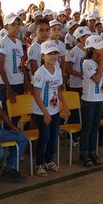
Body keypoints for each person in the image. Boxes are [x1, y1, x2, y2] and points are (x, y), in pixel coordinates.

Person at [31, 40, 69, 175]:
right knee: (44, 137)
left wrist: (64, 104)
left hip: (55, 110)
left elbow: (58, 90)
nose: (53, 56)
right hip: (42, 112)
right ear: (43, 56)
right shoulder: (40, 73)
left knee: (53, 137)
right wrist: (45, 113)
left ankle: (48, 160)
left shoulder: (57, 70)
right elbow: (36, 94)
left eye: (55, 53)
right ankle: (39, 164)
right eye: (49, 54)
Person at [78, 35, 103, 166]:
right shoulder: (87, 63)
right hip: (89, 100)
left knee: (96, 127)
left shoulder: (99, 63)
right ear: (94, 50)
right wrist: (101, 63)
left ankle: (93, 151)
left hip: (99, 99)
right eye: (101, 47)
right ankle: (84, 152)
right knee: (87, 127)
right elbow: (96, 79)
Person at [0, 13, 27, 120]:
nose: (17, 27)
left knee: (18, 115)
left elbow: (21, 64)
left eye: (18, 24)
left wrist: (26, 82)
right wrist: (8, 88)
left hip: (18, 82)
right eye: (13, 24)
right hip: (8, 84)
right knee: (9, 115)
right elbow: (0, 66)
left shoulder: (18, 42)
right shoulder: (4, 42)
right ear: (6, 27)